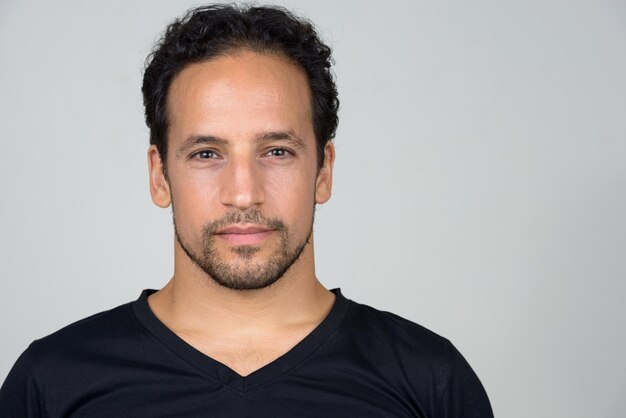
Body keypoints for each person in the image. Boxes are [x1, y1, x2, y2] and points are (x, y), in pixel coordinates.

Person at [0, 4, 493, 417]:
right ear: (159, 175)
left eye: (276, 151)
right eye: (206, 154)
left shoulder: (430, 380)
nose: (243, 194)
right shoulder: (53, 381)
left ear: (323, 171)